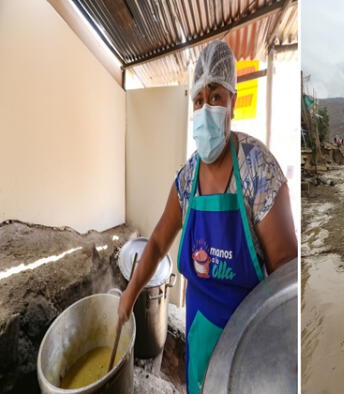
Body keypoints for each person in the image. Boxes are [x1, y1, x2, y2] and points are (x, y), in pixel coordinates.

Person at [117, 40, 297, 394]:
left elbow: (287, 276)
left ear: (232, 99)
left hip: (250, 335)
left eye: (215, 97)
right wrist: (130, 292)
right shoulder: (186, 179)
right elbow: (155, 242)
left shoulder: (257, 168)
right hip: (199, 327)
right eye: (198, 100)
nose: (205, 108)